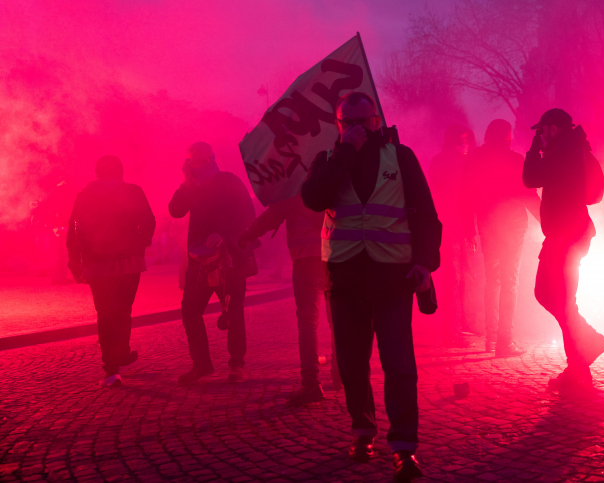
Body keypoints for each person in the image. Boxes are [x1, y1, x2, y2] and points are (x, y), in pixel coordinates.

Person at [302, 91, 441, 481]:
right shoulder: (328, 160)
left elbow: (427, 214)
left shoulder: (402, 157)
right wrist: (346, 153)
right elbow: (314, 199)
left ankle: (404, 447)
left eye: (366, 121)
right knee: (351, 363)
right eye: (351, 123)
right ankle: (362, 432)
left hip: (392, 276)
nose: (360, 129)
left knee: (399, 365)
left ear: (377, 121)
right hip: (344, 277)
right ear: (340, 126)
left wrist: (425, 262)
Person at [523, 108, 604, 392]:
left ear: (554, 130)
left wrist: (534, 150)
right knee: (559, 299)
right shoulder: (571, 148)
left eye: (542, 130)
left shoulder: (562, 152)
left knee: (554, 297)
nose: (540, 136)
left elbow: (529, 178)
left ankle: (581, 366)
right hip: (570, 233)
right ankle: (579, 367)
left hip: (566, 235)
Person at [238, 195, 342, 405]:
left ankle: (311, 383)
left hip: (307, 257)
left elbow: (274, 213)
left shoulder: (296, 184)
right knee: (337, 319)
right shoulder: (333, 174)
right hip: (336, 255)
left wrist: (249, 233)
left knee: (308, 322)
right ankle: (341, 375)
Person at [169, 142, 257, 385]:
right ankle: (201, 364)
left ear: (212, 158)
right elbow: (175, 210)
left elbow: (247, 215)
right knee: (189, 311)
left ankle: (236, 363)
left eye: (202, 160)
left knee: (234, 312)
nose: (198, 165)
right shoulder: (192, 186)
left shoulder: (229, 181)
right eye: (193, 161)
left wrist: (224, 234)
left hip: (229, 259)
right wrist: (186, 181)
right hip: (200, 261)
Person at [67, 156, 156, 387]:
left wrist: (74, 261)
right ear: (120, 172)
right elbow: (148, 220)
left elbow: (74, 231)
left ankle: (112, 368)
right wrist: (140, 243)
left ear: (97, 173)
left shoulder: (84, 196)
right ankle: (121, 355)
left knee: (105, 314)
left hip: (97, 263)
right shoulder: (133, 191)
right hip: (128, 261)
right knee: (123, 311)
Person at [462, 120, 541, 356]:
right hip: (512, 226)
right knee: (509, 282)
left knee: (492, 280)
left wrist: (469, 229)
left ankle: (491, 338)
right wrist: (548, 221)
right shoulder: (515, 161)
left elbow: (466, 195)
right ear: (507, 136)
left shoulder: (475, 160)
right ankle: (504, 342)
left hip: (487, 225)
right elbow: (528, 195)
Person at [428, 124, 476, 347]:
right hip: (456, 226)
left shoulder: (437, 161)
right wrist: (471, 230)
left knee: (455, 278)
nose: (466, 144)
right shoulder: (462, 164)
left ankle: (457, 326)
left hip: (444, 225)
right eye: (463, 140)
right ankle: (453, 331)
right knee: (456, 278)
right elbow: (466, 199)